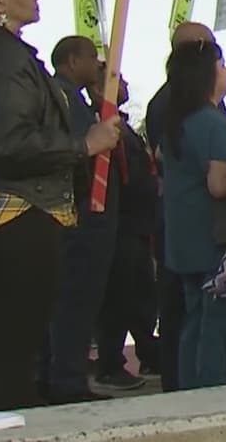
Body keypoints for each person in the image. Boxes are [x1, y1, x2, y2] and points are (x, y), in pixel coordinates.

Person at [0, 0, 120, 410]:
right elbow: (11, 142)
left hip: (6, 215)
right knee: (13, 359)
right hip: (16, 217)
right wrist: (84, 144)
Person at [162, 41, 226, 389]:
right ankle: (216, 400)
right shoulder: (213, 124)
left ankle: (190, 399)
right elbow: (219, 184)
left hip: (184, 240)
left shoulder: (178, 122)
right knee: (220, 331)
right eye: (221, 64)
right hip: (217, 240)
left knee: (195, 325)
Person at [45, 35, 125, 402]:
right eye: (92, 57)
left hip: (87, 216)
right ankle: (67, 380)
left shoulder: (74, 99)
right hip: (82, 216)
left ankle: (64, 375)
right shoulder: (63, 99)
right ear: (73, 60)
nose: (97, 65)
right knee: (75, 300)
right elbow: (80, 150)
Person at [146, 21, 214, 391]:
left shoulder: (184, 106)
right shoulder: (182, 109)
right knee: (188, 311)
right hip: (191, 223)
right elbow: (213, 174)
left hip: (182, 223)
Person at [89, 65, 161, 391]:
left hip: (139, 222)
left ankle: (148, 350)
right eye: (117, 79)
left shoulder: (123, 125)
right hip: (122, 224)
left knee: (140, 293)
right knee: (118, 296)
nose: (126, 83)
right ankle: (110, 363)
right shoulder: (101, 126)